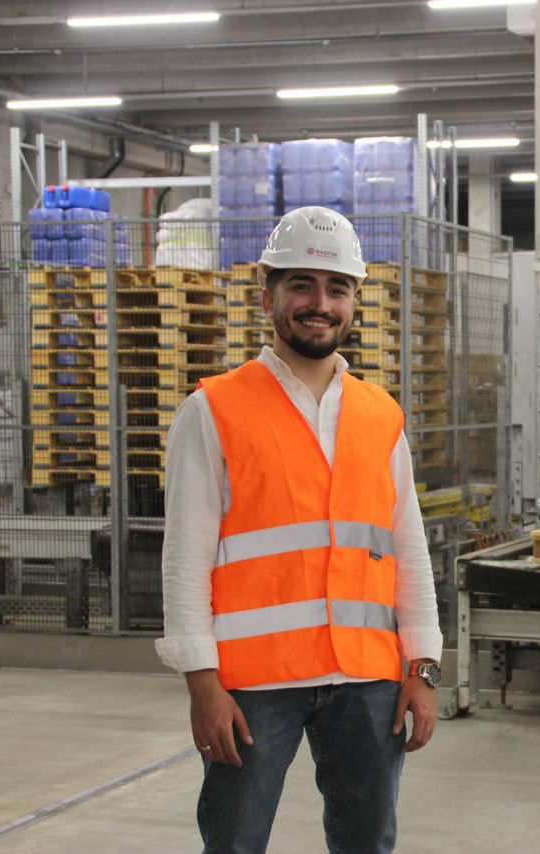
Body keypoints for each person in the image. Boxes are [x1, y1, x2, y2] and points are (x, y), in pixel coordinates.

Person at [156, 206, 444, 854]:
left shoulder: (380, 415)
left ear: (354, 302)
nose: (320, 303)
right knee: (234, 843)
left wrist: (422, 667)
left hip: (367, 680)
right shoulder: (214, 410)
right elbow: (185, 559)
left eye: (336, 288)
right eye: (302, 286)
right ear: (269, 297)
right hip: (254, 686)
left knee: (367, 842)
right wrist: (202, 682)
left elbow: (409, 552)